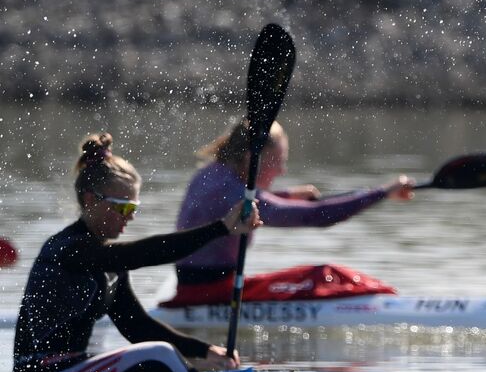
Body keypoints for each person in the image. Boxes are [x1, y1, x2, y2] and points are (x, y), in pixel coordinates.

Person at [9, 133, 260, 372]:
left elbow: (137, 325)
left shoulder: (108, 260)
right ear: (90, 199)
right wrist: (220, 228)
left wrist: (204, 350)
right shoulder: (69, 249)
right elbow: (142, 254)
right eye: (122, 207)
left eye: (133, 209)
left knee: (162, 357)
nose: (129, 217)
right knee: (160, 356)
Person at [169, 118, 415, 303]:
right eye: (279, 161)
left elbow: (237, 203)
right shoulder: (235, 192)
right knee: (327, 276)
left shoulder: (211, 175)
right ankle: (396, 302)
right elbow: (315, 216)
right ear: (249, 158)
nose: (282, 171)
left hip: (195, 285)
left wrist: (286, 195)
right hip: (212, 293)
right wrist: (383, 192)